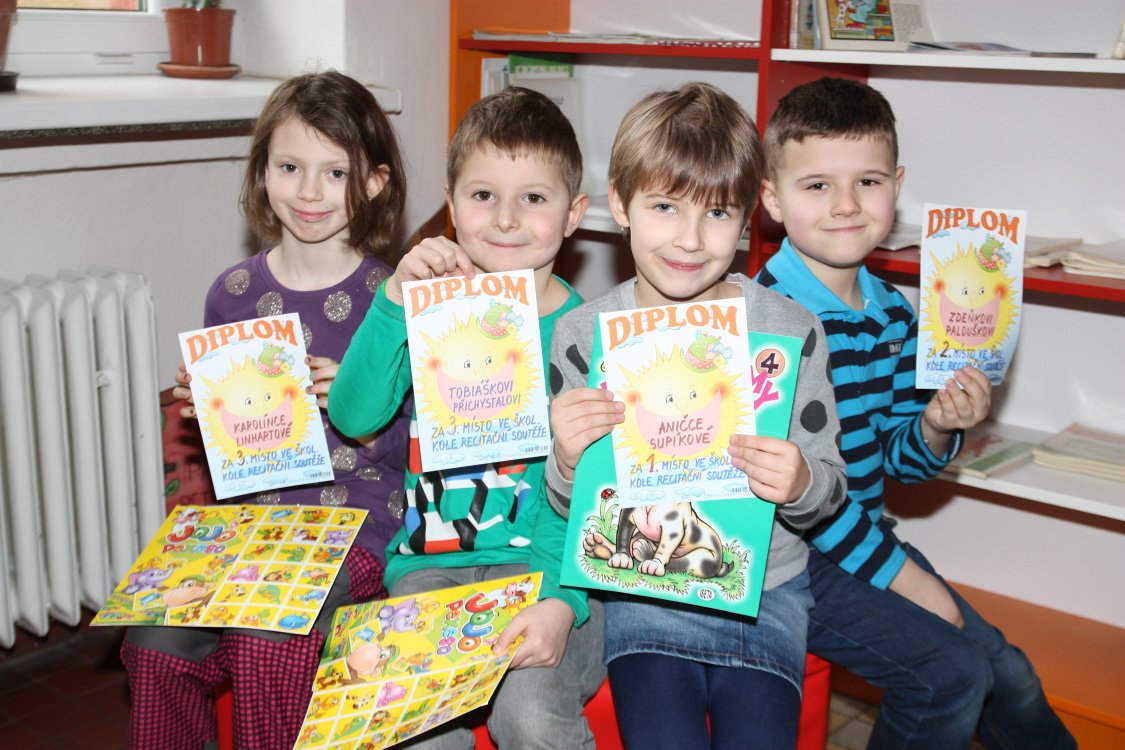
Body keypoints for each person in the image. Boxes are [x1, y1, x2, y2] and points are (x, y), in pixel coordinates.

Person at [756, 76, 1075, 749]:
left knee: (1010, 675)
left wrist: (936, 425)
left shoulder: (895, 312)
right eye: (817, 185)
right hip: (788, 560)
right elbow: (792, 503)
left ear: (896, 187)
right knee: (950, 676)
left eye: (867, 182)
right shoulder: (768, 322)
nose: (846, 205)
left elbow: (898, 463)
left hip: (863, 540)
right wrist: (906, 579)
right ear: (772, 198)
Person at [545, 81, 848, 749]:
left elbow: (829, 487)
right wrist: (566, 460)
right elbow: (570, 508)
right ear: (620, 204)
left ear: (746, 218)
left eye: (716, 212)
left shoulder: (789, 332)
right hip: (643, 595)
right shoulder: (583, 336)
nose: (689, 238)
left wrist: (799, 483)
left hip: (767, 594)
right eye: (664, 206)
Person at [121, 70, 413, 750]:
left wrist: (361, 402)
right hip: (252, 523)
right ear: (262, 172)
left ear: (374, 183)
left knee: (266, 637)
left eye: (335, 173)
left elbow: (428, 440)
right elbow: (235, 449)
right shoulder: (231, 293)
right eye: (289, 167)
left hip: (359, 522)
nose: (309, 192)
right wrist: (206, 408)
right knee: (153, 639)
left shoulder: (393, 299)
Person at [328, 85, 605, 749]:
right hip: (430, 572)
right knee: (413, 730)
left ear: (574, 214)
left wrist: (560, 602)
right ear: (451, 206)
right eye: (483, 195)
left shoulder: (592, 335)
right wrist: (394, 299)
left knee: (529, 717)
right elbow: (353, 415)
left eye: (533, 198)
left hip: (552, 578)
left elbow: (598, 495)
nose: (505, 219)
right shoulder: (430, 312)